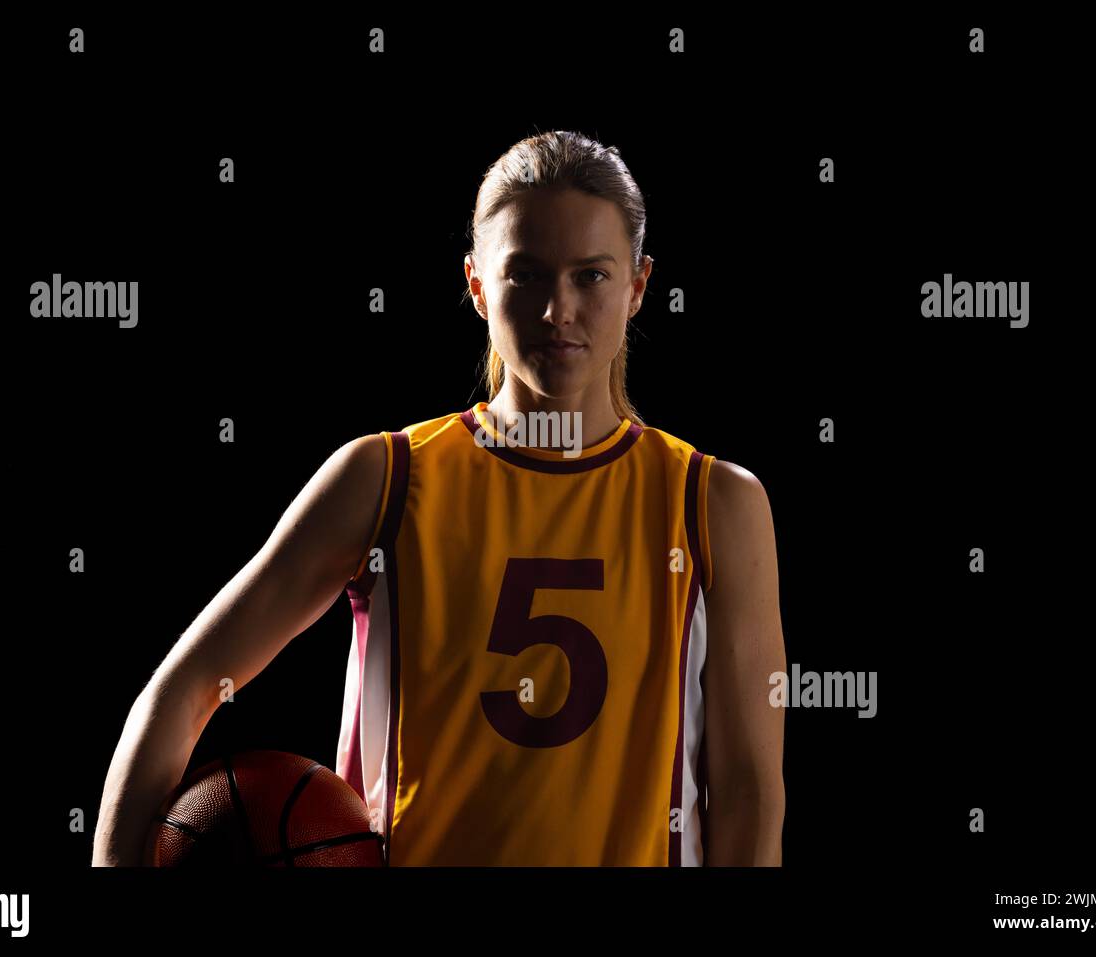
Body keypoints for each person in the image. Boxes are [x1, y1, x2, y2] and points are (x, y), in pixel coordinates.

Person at [93, 130, 786, 867]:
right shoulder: (386, 478)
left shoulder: (711, 502)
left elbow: (746, 792)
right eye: (526, 274)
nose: (559, 309)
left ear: (639, 285)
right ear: (477, 283)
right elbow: (189, 684)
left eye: (591, 276)